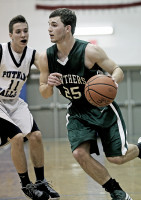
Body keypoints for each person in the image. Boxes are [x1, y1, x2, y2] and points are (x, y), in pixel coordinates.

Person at [38, 8, 141, 200]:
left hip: (102, 108)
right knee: (79, 153)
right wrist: (49, 84)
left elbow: (117, 69)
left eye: (54, 25)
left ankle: (140, 148)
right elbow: (44, 93)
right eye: (48, 25)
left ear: (67, 28)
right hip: (77, 111)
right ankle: (116, 192)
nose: (49, 29)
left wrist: (111, 82)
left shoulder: (89, 51)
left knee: (116, 158)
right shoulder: (46, 57)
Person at [0, 15, 60, 200]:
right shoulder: (1, 50)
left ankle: (41, 182)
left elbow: (48, 67)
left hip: (14, 101)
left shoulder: (32, 54)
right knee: (17, 138)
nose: (23, 34)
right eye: (18, 31)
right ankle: (26, 185)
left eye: (25, 31)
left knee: (36, 136)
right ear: (11, 35)